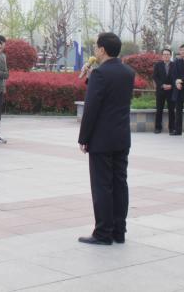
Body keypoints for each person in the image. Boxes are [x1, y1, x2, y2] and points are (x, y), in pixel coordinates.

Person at [78, 32, 133, 246]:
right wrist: (91, 78)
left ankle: (103, 233)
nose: (94, 50)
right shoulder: (128, 72)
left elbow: (92, 107)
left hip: (102, 139)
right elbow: (112, 96)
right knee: (120, 184)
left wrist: (84, 137)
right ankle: (119, 231)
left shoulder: (100, 73)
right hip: (121, 137)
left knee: (102, 186)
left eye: (95, 46)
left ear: (102, 50)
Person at [153, 48, 172, 134]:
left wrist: (171, 85)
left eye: (168, 54)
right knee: (159, 109)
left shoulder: (174, 65)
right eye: (164, 54)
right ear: (162, 56)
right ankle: (158, 128)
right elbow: (155, 77)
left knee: (171, 110)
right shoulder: (158, 65)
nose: (166, 56)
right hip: (160, 91)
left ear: (170, 55)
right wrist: (162, 85)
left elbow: (176, 76)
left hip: (171, 90)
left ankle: (172, 128)